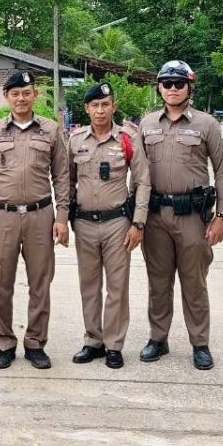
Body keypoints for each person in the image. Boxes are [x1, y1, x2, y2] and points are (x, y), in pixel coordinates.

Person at [132, 60, 223, 370]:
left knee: (194, 282)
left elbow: (222, 170)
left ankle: (200, 343)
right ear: (159, 88)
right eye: (167, 84)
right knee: (158, 282)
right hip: (155, 216)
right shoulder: (147, 124)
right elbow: (138, 173)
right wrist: (135, 216)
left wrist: (222, 215)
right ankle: (158, 338)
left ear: (189, 87)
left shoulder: (206, 124)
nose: (173, 89)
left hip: (192, 216)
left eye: (179, 84)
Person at [0, 70, 71, 370]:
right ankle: (4, 342)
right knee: (0, 281)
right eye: (15, 94)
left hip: (40, 215)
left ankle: (35, 343)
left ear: (35, 95)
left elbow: (62, 176)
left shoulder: (51, 130)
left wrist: (62, 216)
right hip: (2, 216)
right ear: (7, 97)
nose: (21, 98)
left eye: (26, 93)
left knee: (40, 281)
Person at [68, 82, 150, 369]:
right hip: (84, 223)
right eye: (95, 105)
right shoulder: (75, 139)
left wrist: (138, 223)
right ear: (87, 108)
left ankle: (114, 344)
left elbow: (142, 182)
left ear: (114, 106)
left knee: (117, 286)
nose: (100, 110)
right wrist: (64, 218)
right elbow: (66, 181)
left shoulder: (127, 138)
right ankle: (93, 341)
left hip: (118, 223)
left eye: (105, 104)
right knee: (89, 285)